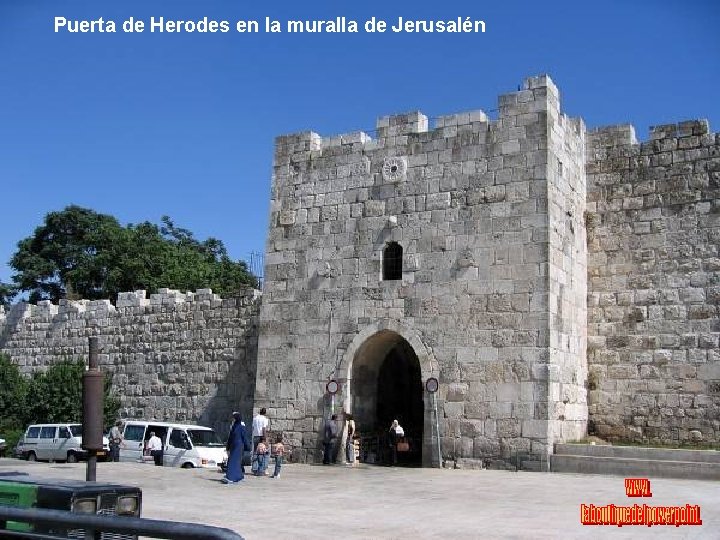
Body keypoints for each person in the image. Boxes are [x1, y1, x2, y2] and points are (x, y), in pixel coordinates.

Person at [224, 412, 251, 484]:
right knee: (236, 462)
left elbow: (230, 437)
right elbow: (244, 437)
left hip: (235, 446)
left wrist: (228, 446)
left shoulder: (234, 426)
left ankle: (234, 476)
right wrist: (248, 446)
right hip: (238, 446)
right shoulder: (240, 426)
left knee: (234, 461)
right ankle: (233, 477)